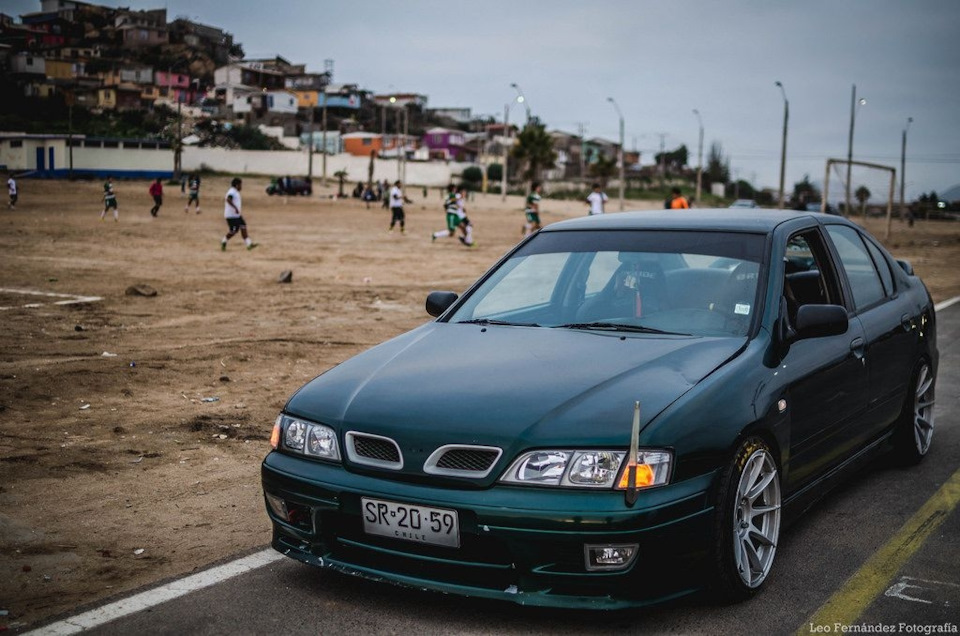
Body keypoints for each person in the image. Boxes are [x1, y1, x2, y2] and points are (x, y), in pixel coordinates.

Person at [220, 177, 258, 251]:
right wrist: (235, 208)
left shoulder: (235, 191)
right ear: (237, 185)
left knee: (243, 226)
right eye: (241, 185)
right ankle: (224, 241)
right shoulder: (232, 192)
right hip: (231, 215)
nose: (241, 187)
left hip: (236, 215)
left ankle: (249, 244)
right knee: (234, 230)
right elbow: (228, 199)